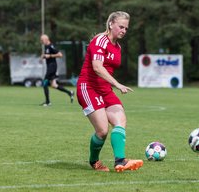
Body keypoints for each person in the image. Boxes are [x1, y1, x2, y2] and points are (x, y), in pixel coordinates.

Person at [76, 11, 143, 172]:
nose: (123, 31)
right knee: (102, 131)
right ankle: (94, 161)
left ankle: (120, 161)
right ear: (111, 23)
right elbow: (97, 67)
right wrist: (117, 84)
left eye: (126, 28)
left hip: (105, 90)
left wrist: (112, 85)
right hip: (88, 87)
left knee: (120, 120)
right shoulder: (100, 40)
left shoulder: (117, 46)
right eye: (121, 27)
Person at [40, 34, 74, 106]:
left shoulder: (51, 46)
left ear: (46, 39)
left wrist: (50, 56)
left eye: (42, 40)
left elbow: (60, 54)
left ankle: (48, 102)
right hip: (50, 67)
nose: (41, 41)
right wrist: (44, 56)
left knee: (45, 83)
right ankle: (70, 92)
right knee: (54, 85)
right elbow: (47, 55)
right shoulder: (46, 47)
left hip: (52, 67)